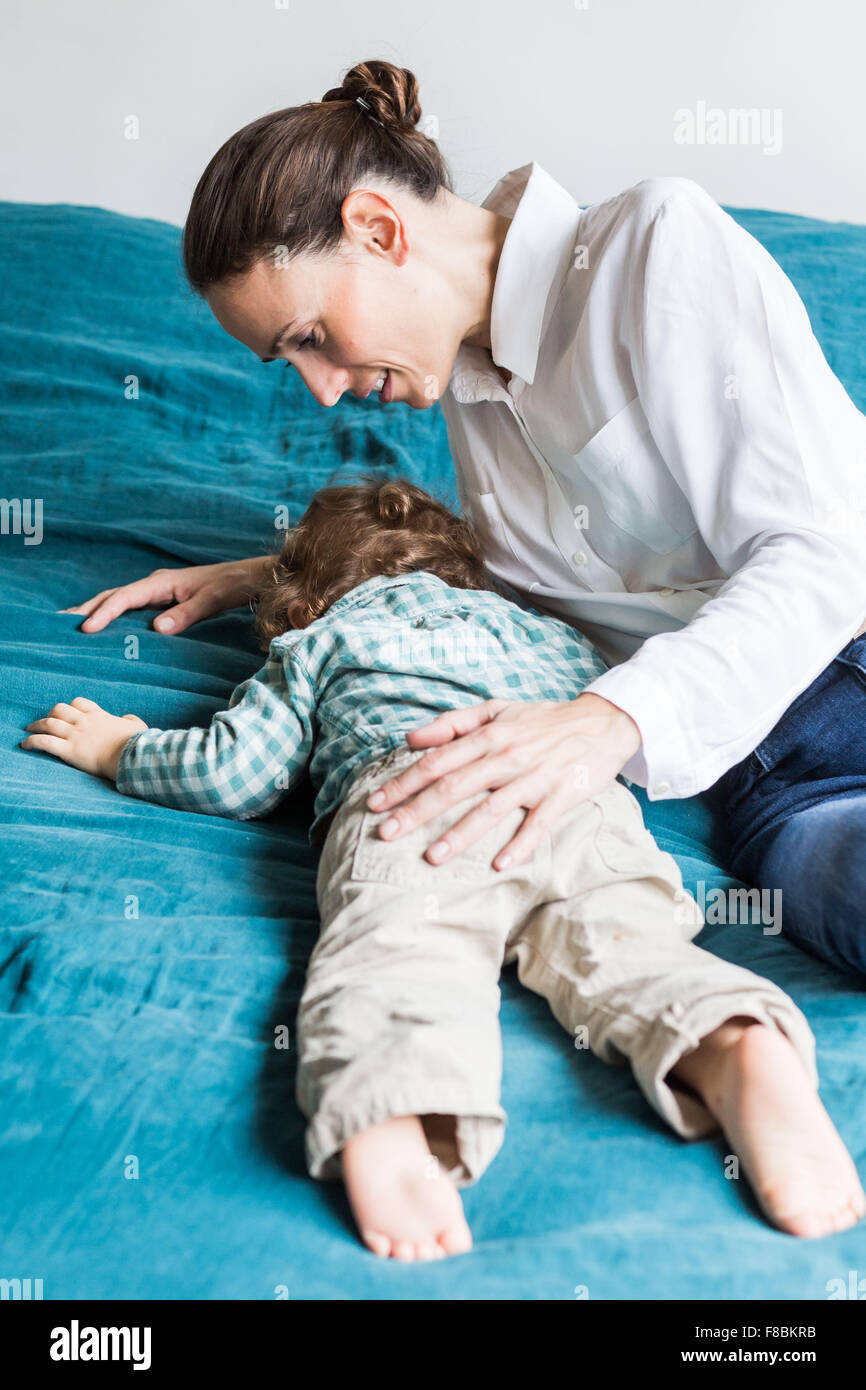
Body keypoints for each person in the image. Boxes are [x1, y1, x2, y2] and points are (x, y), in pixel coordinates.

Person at [65, 59, 866, 973]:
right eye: (291, 363)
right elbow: (549, 577)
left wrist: (607, 719)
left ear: (377, 229)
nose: (322, 390)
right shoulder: (466, 383)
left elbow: (826, 554)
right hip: (766, 776)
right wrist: (284, 572)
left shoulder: (653, 244)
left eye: (311, 338)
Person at [28, 479, 866, 1258]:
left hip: (420, 796)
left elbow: (238, 773)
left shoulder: (322, 637)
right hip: (568, 795)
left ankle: (396, 1118)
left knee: (399, 959)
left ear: (300, 603)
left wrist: (121, 749)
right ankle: (732, 1043)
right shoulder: (552, 633)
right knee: (634, 947)